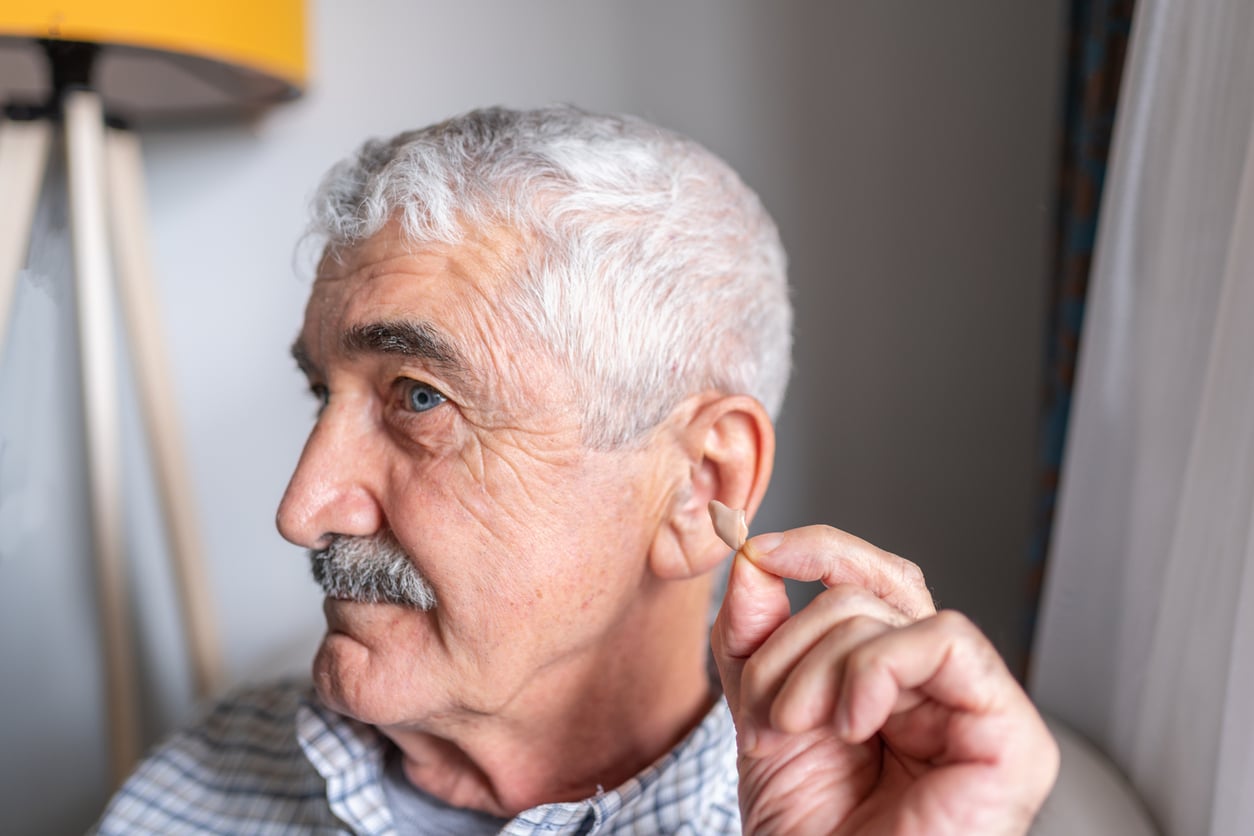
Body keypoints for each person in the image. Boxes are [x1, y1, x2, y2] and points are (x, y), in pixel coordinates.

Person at [95, 105, 1058, 834]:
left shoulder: (857, 812)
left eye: (420, 398)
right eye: (323, 395)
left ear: (702, 487)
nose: (304, 509)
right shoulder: (196, 786)